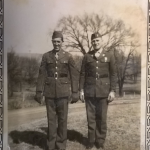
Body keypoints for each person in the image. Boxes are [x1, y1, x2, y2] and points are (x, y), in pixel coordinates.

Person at [34, 31, 79, 150]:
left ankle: (60, 145)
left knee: (63, 120)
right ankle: (51, 145)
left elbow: (74, 75)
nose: (56, 44)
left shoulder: (68, 56)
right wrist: (39, 92)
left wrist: (75, 92)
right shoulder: (46, 56)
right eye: (54, 42)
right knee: (51, 120)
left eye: (58, 42)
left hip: (63, 92)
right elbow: (41, 74)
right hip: (49, 92)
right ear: (52, 42)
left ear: (62, 42)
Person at [79, 32, 117, 150]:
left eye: (98, 40)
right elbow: (83, 74)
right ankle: (90, 142)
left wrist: (112, 90)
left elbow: (113, 74)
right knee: (91, 118)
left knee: (102, 118)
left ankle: (100, 142)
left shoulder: (109, 55)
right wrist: (81, 90)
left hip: (104, 91)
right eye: (93, 41)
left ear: (102, 41)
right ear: (91, 43)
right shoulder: (87, 56)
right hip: (90, 91)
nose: (95, 43)